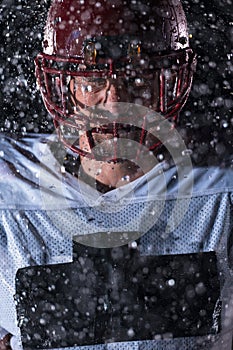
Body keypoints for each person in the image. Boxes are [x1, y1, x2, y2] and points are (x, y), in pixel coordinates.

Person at [0, 0, 233, 349]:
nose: (115, 104)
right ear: (65, 87)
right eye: (93, 82)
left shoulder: (221, 188)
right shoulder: (8, 183)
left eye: (136, 77)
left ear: (167, 84)